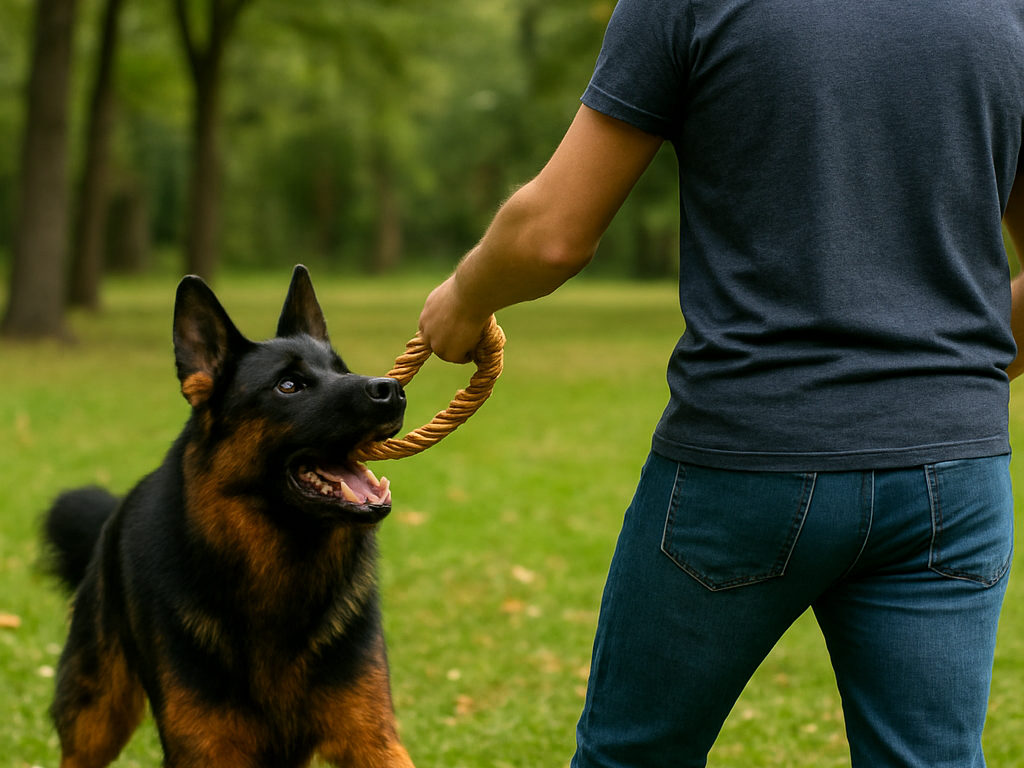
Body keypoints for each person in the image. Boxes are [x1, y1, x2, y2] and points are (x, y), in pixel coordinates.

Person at [419, 1, 1024, 766]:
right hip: (952, 481)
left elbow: (551, 235)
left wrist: (464, 299)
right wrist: (938, 372)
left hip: (746, 461)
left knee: (632, 755)